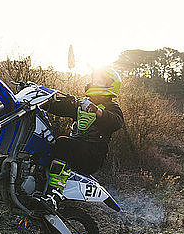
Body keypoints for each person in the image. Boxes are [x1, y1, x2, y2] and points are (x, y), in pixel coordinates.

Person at [41, 67, 124, 206]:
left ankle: (54, 194)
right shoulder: (82, 103)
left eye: (101, 80)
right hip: (77, 150)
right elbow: (60, 108)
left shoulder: (111, 106)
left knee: (62, 143)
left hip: (92, 156)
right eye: (95, 79)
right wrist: (41, 99)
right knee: (46, 142)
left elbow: (116, 122)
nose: (96, 81)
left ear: (111, 84)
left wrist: (96, 111)